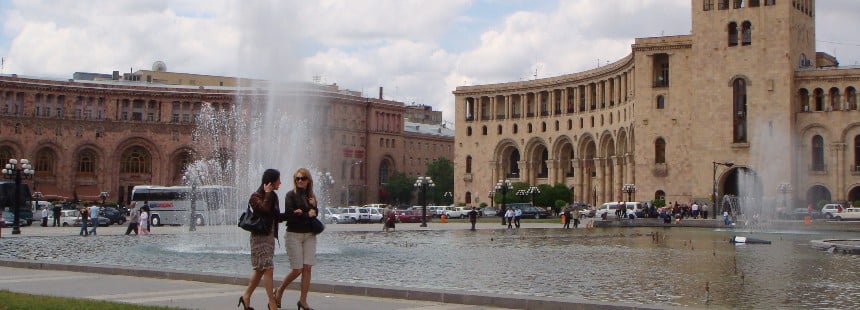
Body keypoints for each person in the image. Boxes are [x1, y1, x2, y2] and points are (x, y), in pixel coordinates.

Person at [274, 168, 319, 310]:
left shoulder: (311, 196)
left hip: (310, 235)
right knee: (297, 269)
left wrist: (307, 211)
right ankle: (280, 290)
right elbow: (291, 216)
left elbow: (315, 213)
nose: (300, 180)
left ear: (308, 181)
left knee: (307, 268)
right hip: (294, 234)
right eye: (297, 178)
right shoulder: (290, 195)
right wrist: (307, 213)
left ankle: (303, 301)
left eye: (303, 178)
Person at [240, 168, 281, 310]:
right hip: (259, 237)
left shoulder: (274, 196)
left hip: (269, 237)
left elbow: (276, 216)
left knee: (260, 270)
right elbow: (263, 210)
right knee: (268, 268)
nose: (280, 183)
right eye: (278, 180)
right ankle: (272, 303)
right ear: (270, 182)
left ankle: (246, 296)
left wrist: (293, 214)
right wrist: (268, 193)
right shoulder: (255, 196)